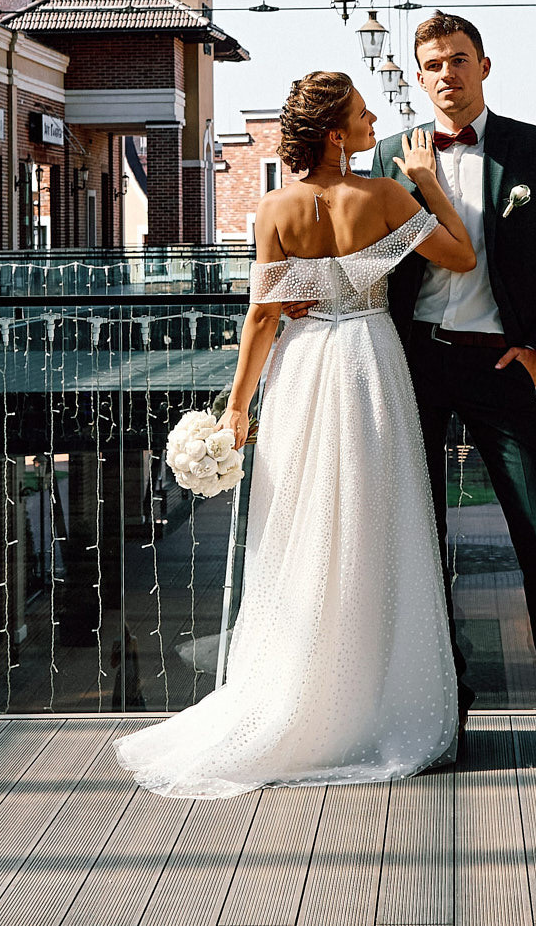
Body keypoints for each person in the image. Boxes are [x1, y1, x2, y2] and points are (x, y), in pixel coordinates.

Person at [115, 70, 477, 800]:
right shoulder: (387, 195)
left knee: (301, 522)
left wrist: (238, 409)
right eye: (363, 115)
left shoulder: (273, 207)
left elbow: (262, 317)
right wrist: (428, 183)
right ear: (336, 135)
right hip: (370, 362)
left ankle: (300, 694)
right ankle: (369, 700)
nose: (374, 122)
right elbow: (461, 256)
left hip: (303, 369)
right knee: (377, 521)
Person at [371, 12, 536, 763]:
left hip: (503, 366)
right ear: (419, 78)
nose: (446, 73)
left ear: (484, 66)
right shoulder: (389, 155)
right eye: (433, 64)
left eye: (458, 59)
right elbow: (368, 257)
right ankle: (444, 709)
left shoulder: (533, 148)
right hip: (415, 364)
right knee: (419, 540)